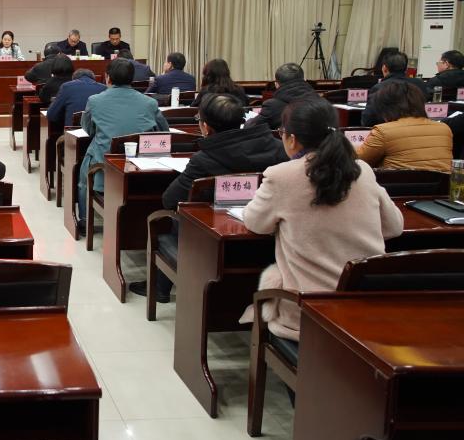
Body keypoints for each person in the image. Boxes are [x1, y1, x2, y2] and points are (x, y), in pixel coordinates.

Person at [242, 98, 403, 341]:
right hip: (363, 308)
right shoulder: (361, 169)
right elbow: (394, 226)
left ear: (292, 139)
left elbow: (255, 223)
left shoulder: (281, 176)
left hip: (308, 313)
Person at [129, 94, 288, 302]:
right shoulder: (278, 148)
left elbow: (170, 200)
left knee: (175, 218)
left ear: (205, 127)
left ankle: (160, 287)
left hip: (214, 244)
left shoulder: (203, 160)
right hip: (267, 241)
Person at [79, 58, 169, 223]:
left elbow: (89, 129)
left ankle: (84, 220)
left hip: (105, 170)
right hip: (141, 171)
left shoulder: (94, 100)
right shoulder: (150, 103)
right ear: (131, 79)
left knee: (87, 165)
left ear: (108, 77)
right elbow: (164, 132)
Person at [356, 82, 453, 173]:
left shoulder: (383, 131)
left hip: (395, 185)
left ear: (385, 108)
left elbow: (358, 162)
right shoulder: (444, 129)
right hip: (440, 185)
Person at [361, 51, 427, 127]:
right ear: (406, 69)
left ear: (384, 68)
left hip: (389, 130)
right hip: (419, 128)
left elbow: (368, 119)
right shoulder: (419, 84)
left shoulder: (379, 87)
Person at [245, 63, 316, 130]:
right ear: (304, 80)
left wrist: (249, 121)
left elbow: (250, 127)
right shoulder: (319, 101)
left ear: (276, 84)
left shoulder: (272, 106)